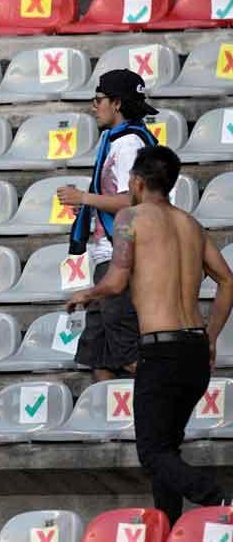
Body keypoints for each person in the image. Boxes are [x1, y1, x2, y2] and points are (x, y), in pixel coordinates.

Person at [66, 145, 233, 523]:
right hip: (193, 349)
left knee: (152, 453)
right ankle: (168, 525)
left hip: (161, 350)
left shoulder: (129, 217)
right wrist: (211, 335)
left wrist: (85, 292)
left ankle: (220, 500)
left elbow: (117, 279)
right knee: (166, 451)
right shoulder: (190, 223)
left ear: (137, 182)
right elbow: (227, 281)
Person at [58, 69, 159, 381]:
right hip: (106, 253)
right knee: (98, 353)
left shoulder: (129, 143)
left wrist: (86, 198)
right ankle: (112, 426)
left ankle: (158, 407)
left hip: (124, 255)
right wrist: (89, 208)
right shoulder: (112, 139)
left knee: (127, 352)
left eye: (98, 99)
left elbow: (135, 200)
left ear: (116, 103)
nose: (94, 106)